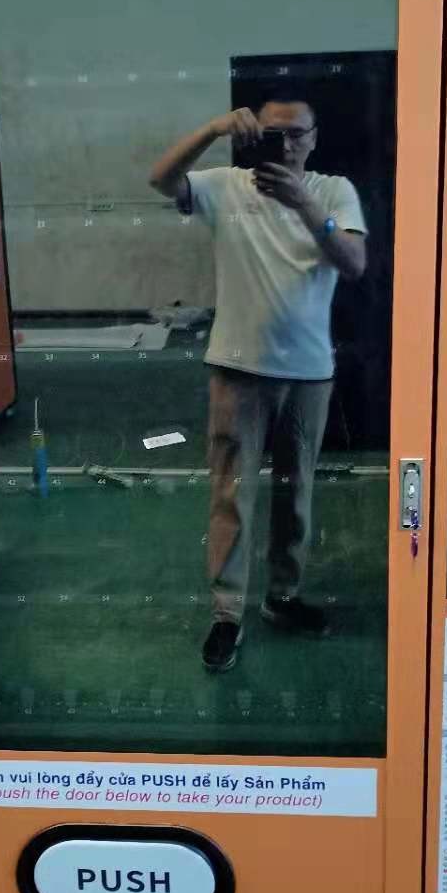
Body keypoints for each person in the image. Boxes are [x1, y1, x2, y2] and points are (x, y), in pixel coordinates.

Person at [149, 95, 367, 673]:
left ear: (315, 137)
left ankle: (282, 597)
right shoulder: (225, 185)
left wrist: (301, 203)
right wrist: (211, 127)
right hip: (237, 370)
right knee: (231, 495)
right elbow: (160, 177)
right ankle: (226, 614)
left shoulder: (332, 191)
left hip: (308, 373)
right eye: (274, 134)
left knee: (295, 495)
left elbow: (354, 262)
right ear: (252, 136)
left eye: (297, 134)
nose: (287, 145)